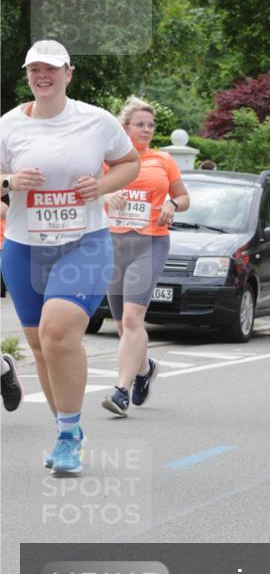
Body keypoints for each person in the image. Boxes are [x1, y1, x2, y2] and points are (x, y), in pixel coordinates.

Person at [0, 40, 139, 474]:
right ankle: (67, 428)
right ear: (27, 75)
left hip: (83, 242)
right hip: (24, 246)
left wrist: (102, 187)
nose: (43, 76)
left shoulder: (94, 121)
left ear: (69, 74)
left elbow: (128, 162)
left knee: (58, 332)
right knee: (41, 346)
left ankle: (67, 438)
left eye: (52, 69)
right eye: (35, 70)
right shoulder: (8, 125)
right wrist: (9, 181)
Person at [101, 97, 190, 417]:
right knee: (125, 327)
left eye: (151, 125)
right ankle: (145, 368)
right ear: (124, 128)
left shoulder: (162, 160)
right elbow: (91, 191)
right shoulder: (106, 161)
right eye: (140, 124)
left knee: (132, 319)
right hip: (113, 245)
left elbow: (183, 196)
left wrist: (173, 205)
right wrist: (108, 194)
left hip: (150, 244)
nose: (147, 130)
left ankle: (121, 391)